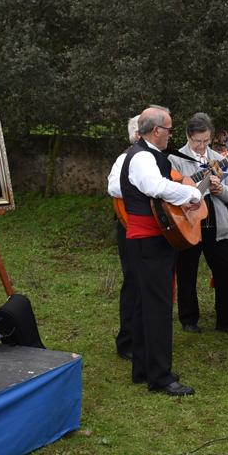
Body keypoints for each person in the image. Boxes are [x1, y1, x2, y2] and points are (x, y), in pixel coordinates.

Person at [119, 107, 203, 395]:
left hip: (151, 239)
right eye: (169, 129)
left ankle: (144, 368)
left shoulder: (146, 154)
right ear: (156, 130)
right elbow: (154, 186)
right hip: (149, 239)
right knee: (157, 307)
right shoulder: (142, 156)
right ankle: (160, 376)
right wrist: (191, 194)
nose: (170, 134)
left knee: (146, 305)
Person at [170, 113, 228, 334]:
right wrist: (201, 186)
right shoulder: (175, 159)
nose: (202, 146)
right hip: (189, 224)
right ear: (188, 136)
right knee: (187, 271)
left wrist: (220, 189)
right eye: (198, 141)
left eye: (206, 141)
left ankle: (226, 319)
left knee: (225, 270)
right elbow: (174, 193)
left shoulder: (219, 158)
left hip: (216, 225)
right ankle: (189, 319)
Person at [107, 115, 141, 361]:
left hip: (153, 229)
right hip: (130, 226)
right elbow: (114, 187)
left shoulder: (158, 159)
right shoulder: (124, 158)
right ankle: (126, 341)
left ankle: (144, 335)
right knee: (133, 282)